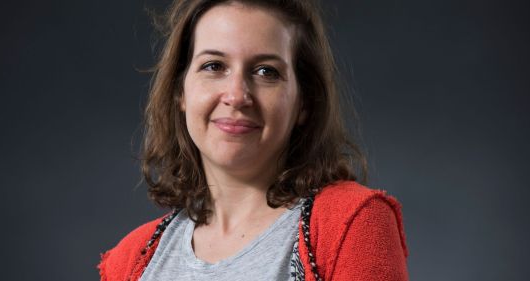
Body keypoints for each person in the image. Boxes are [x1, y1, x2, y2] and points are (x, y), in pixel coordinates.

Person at [98, 0, 409, 280]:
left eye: (266, 71)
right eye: (214, 66)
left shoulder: (352, 225)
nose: (236, 96)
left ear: (304, 102)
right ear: (181, 92)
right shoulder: (129, 261)